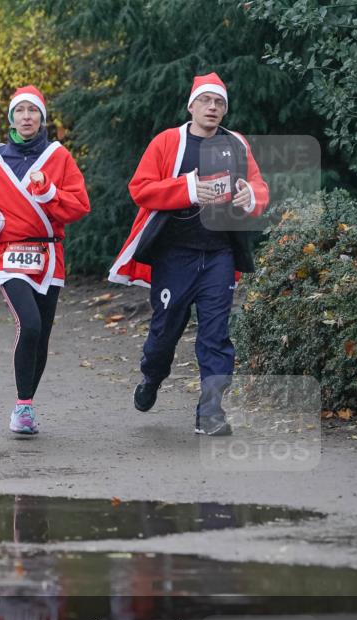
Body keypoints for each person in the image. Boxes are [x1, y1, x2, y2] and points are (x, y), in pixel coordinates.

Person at [109, 72, 269, 436]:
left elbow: (258, 185)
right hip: (175, 255)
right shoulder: (168, 142)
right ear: (191, 105)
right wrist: (190, 189)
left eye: (220, 103)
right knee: (165, 334)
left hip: (219, 256)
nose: (213, 108)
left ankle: (210, 412)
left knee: (216, 335)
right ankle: (151, 378)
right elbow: (141, 189)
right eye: (206, 101)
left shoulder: (237, 144)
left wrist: (251, 196)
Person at [0, 85, 90, 437]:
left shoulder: (58, 156)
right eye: (20, 111)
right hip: (9, 254)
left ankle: (28, 405)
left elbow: (80, 204)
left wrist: (49, 192)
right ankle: (21, 407)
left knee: (43, 334)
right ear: (11, 118)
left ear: (42, 118)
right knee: (30, 325)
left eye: (32, 111)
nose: (26, 117)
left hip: (49, 256)